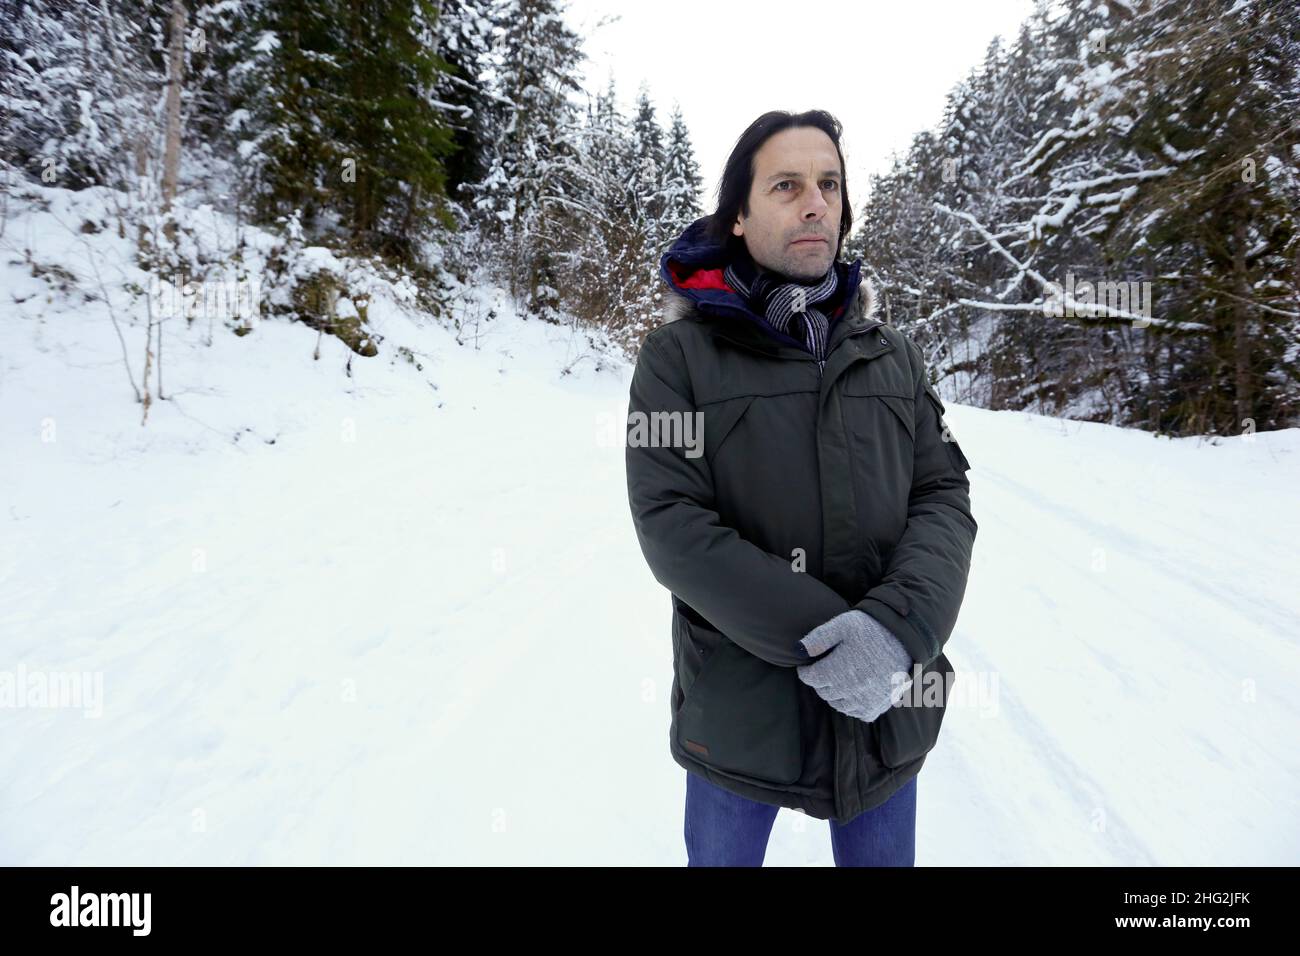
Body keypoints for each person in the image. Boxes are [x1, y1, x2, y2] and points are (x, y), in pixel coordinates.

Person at [624, 109, 978, 866]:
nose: (814, 202)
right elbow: (671, 522)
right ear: (742, 219)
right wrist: (830, 639)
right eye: (786, 185)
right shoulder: (678, 356)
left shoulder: (895, 356)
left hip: (885, 712)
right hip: (741, 716)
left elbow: (942, 494)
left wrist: (893, 635)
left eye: (829, 185)